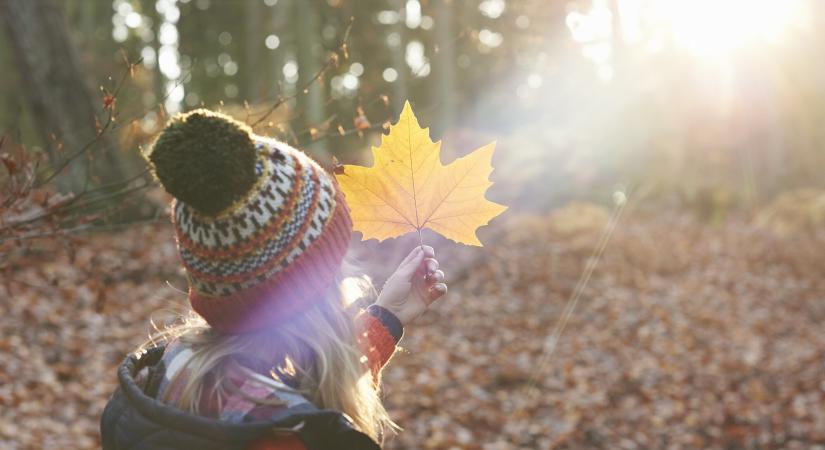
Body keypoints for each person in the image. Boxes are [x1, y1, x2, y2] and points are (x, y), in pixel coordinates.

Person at [100, 109, 447, 450]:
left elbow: (297, 392)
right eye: (336, 256)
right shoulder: (284, 438)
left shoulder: (173, 373)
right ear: (312, 288)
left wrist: (388, 317)